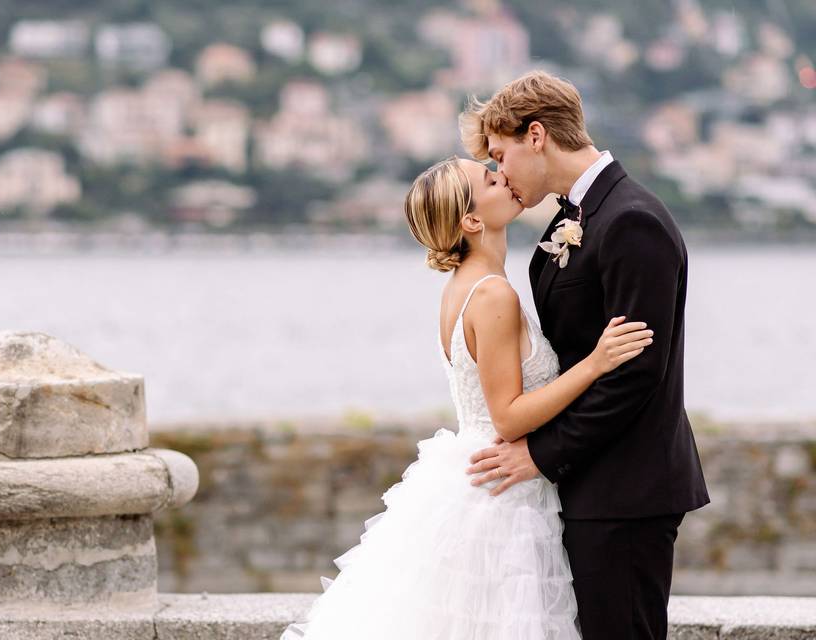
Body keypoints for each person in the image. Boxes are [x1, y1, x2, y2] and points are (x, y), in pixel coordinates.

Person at [280, 154, 655, 639]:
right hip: (502, 498)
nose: (505, 177)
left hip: (480, 479)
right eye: (491, 179)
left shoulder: (465, 287)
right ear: (473, 219)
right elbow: (508, 419)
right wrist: (596, 363)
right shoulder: (492, 295)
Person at [460, 70, 710, 639]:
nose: (501, 173)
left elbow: (636, 374)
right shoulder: (571, 220)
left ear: (537, 135)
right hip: (588, 486)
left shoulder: (631, 221)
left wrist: (540, 455)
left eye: (501, 154)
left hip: (626, 491)